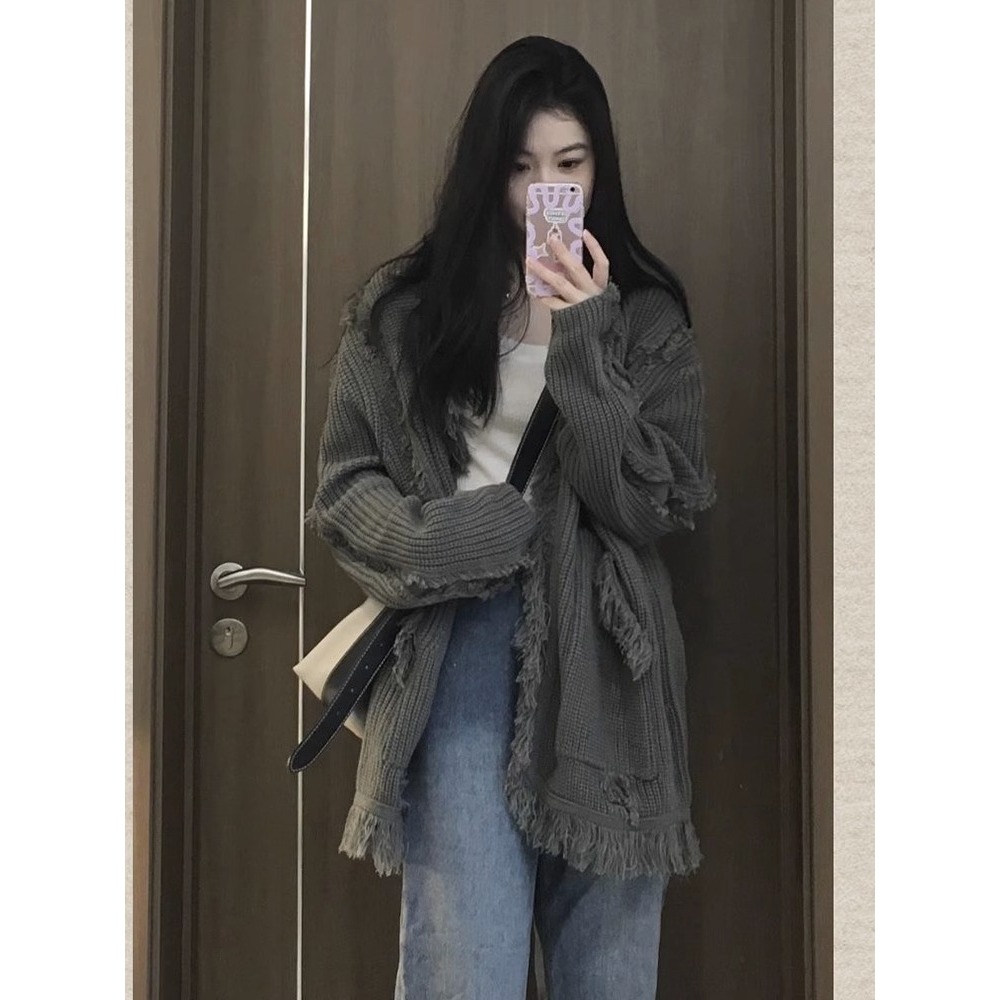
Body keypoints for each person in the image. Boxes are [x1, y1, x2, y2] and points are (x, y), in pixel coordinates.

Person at [305, 34, 717, 1000]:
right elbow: (346, 486)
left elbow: (648, 502)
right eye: (522, 166)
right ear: (487, 170)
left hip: (613, 667)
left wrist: (584, 336)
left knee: (609, 974)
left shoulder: (646, 318)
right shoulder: (406, 312)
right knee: (464, 968)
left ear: (599, 169)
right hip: (460, 648)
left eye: (569, 165)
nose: (545, 192)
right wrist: (441, 538)